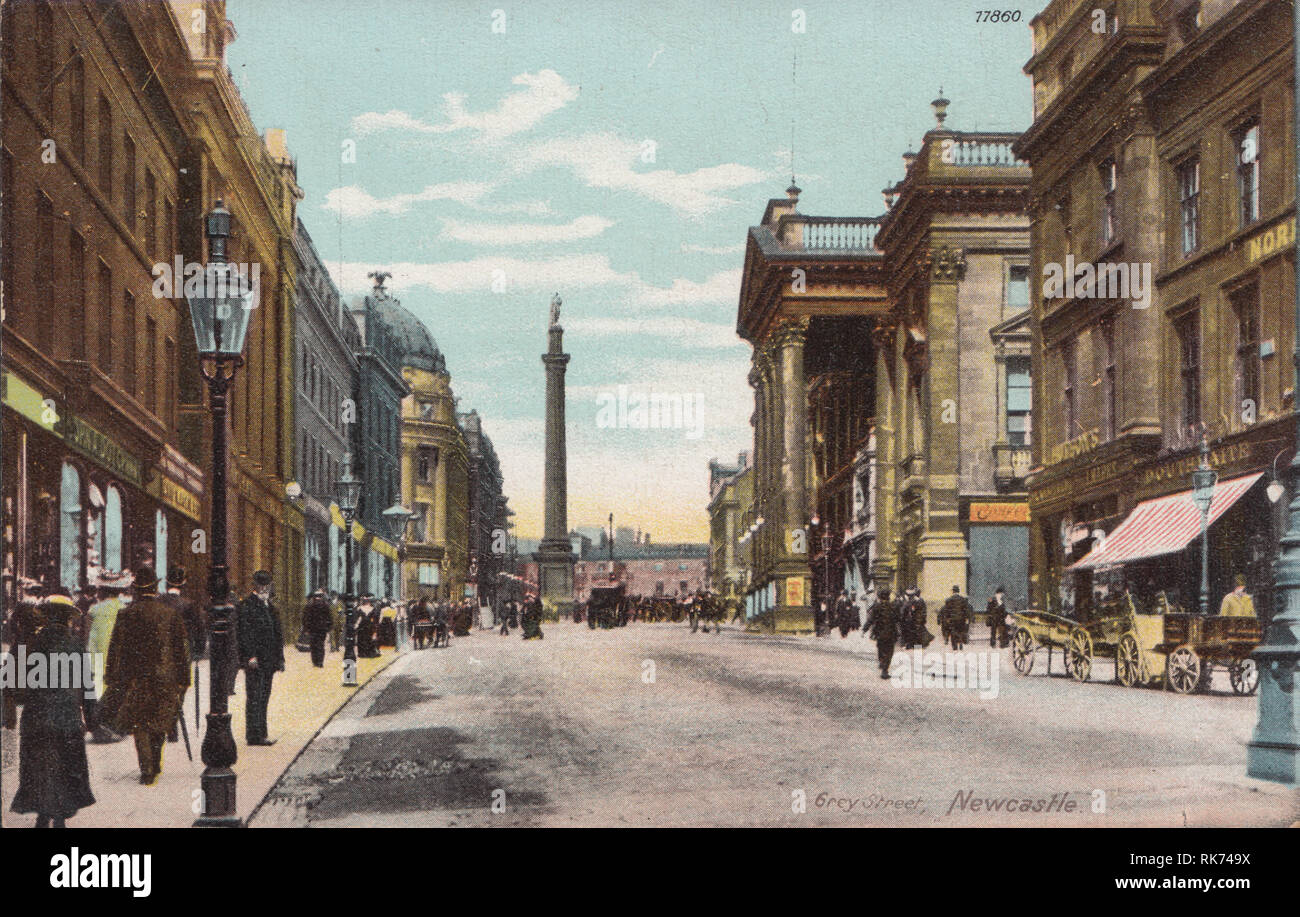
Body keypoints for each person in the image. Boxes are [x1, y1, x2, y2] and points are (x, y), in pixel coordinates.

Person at [8, 595, 97, 827]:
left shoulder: (29, 643)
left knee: (39, 766)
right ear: (68, 619)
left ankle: (43, 813)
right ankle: (59, 815)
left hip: (36, 717)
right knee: (66, 766)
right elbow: (87, 686)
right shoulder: (76, 645)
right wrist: (92, 718)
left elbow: (14, 686)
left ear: (45, 617)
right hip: (67, 716)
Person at [100, 567, 191, 784]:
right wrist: (184, 679)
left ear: (136, 589)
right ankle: (156, 760)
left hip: (136, 678)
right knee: (160, 720)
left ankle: (146, 768)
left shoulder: (126, 614)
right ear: (155, 587)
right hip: (165, 677)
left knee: (140, 723)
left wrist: (111, 676)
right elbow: (181, 649)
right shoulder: (170, 615)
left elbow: (116, 648)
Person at [236, 571, 284, 746]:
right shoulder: (247, 606)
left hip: (269, 660)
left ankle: (261, 733)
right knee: (255, 696)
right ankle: (254, 735)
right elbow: (244, 633)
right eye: (261, 585)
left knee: (264, 696)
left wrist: (280, 659)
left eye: (267, 585)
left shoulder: (270, 606)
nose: (264, 588)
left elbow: (277, 634)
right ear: (255, 586)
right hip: (255, 661)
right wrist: (250, 656)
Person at [864, 588, 899, 679]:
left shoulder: (876, 607)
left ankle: (882, 664)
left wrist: (865, 629)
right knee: (889, 651)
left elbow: (870, 619)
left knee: (881, 649)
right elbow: (898, 619)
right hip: (891, 633)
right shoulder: (893, 607)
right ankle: (885, 669)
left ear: (879, 597)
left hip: (880, 633)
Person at [302, 590, 333, 667]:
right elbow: (329, 618)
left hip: (315, 629)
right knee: (319, 645)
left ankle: (316, 661)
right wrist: (328, 628)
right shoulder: (325, 606)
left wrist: (306, 629)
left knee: (315, 646)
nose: (318, 598)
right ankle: (319, 662)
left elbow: (305, 618)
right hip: (320, 629)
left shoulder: (310, 606)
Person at [940, 585, 974, 652]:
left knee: (953, 632)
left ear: (953, 591)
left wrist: (947, 618)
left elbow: (947, 610)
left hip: (952, 619)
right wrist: (967, 618)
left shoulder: (949, 600)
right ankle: (960, 643)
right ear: (959, 591)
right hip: (961, 619)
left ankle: (955, 647)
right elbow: (966, 610)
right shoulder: (963, 599)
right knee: (961, 631)